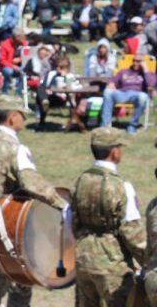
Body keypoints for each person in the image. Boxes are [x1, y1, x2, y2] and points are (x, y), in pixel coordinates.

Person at [0, 95, 67, 307]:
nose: (23, 119)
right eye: (21, 115)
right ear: (12, 117)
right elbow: (32, 182)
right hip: (15, 228)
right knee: (20, 287)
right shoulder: (16, 149)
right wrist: (62, 204)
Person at [71, 127, 146, 306]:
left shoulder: (79, 181)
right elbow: (132, 232)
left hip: (83, 259)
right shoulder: (122, 186)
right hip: (112, 262)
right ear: (114, 151)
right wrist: (149, 260)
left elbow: (71, 221)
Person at [101, 53, 156, 134]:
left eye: (138, 61)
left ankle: (132, 125)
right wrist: (111, 84)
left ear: (143, 62)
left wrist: (146, 70)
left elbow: (151, 84)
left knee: (143, 97)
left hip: (137, 95)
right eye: (134, 60)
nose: (135, 63)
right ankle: (106, 126)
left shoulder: (148, 74)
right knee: (107, 92)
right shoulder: (124, 71)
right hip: (122, 93)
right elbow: (113, 80)